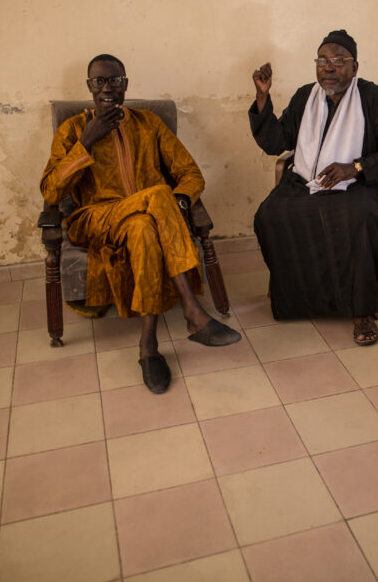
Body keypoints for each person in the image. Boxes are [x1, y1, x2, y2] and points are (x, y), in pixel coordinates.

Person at [41, 54, 240, 394]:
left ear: (126, 84)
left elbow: (190, 172)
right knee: (159, 194)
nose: (107, 88)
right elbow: (51, 189)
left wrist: (176, 204)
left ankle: (148, 346)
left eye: (115, 80)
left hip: (144, 218)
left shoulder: (148, 123)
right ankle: (193, 310)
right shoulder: (73, 128)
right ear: (89, 87)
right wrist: (86, 141)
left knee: (144, 227)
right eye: (99, 81)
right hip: (93, 219)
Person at [249, 30, 378, 345]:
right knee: (269, 215)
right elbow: (276, 142)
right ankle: (296, 297)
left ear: (355, 67)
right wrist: (263, 96)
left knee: (359, 219)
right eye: (323, 61)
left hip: (354, 184)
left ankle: (362, 311)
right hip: (305, 179)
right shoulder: (305, 96)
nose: (329, 68)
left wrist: (355, 167)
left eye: (338, 61)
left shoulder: (375, 99)